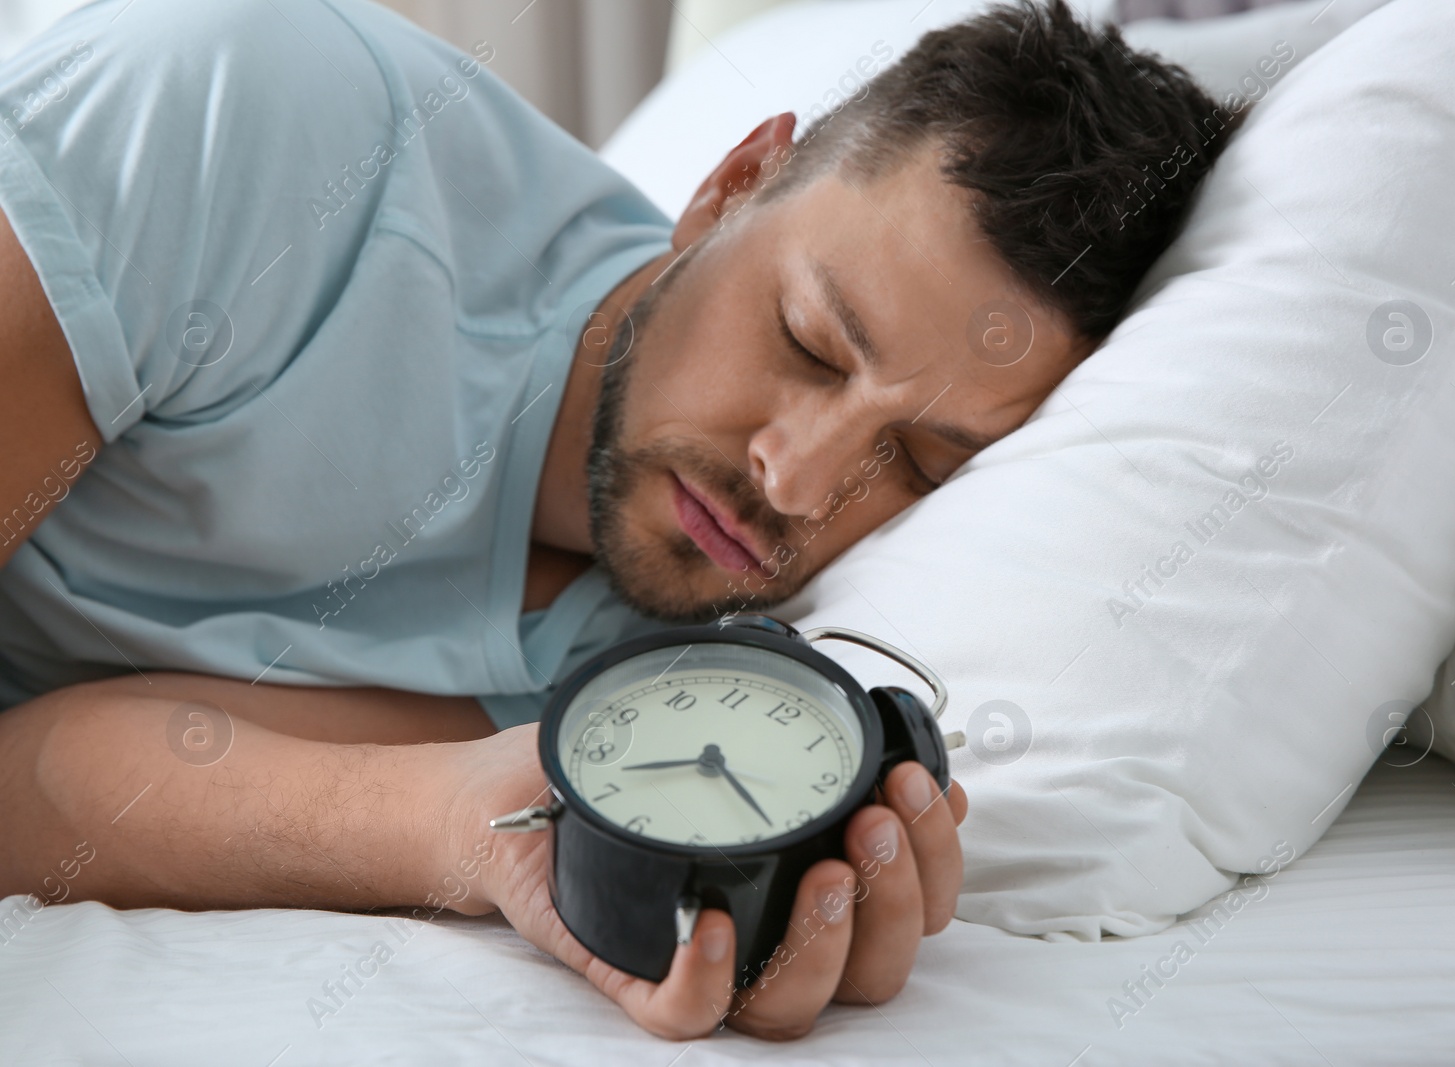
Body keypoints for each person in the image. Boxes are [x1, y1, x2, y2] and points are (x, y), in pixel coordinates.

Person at [0, 0, 1232, 1042]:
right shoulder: (249, 128)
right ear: (733, 183)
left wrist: (473, 827)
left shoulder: (654, 669)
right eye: (806, 342)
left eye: (911, 460)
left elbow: (34, 779)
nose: (798, 486)